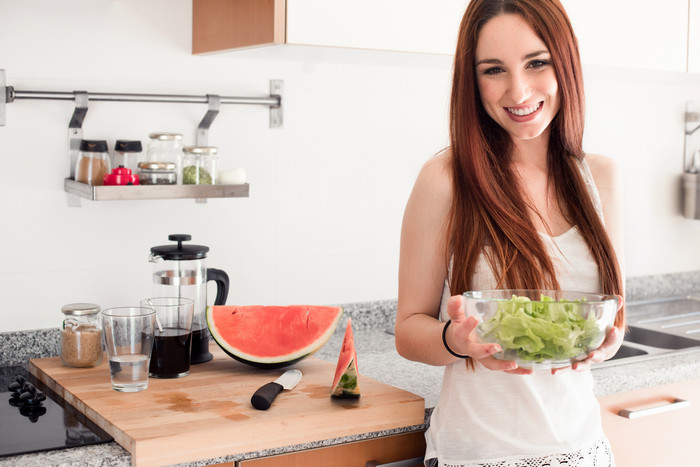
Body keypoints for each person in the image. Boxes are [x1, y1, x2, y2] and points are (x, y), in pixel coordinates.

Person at [395, 0, 626, 466]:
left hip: (582, 448)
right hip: (479, 454)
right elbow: (408, 329)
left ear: (565, 63)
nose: (518, 90)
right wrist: (454, 342)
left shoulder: (600, 177)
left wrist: (605, 341)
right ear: (472, 79)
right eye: (494, 69)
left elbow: (615, 317)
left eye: (536, 62)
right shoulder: (445, 178)